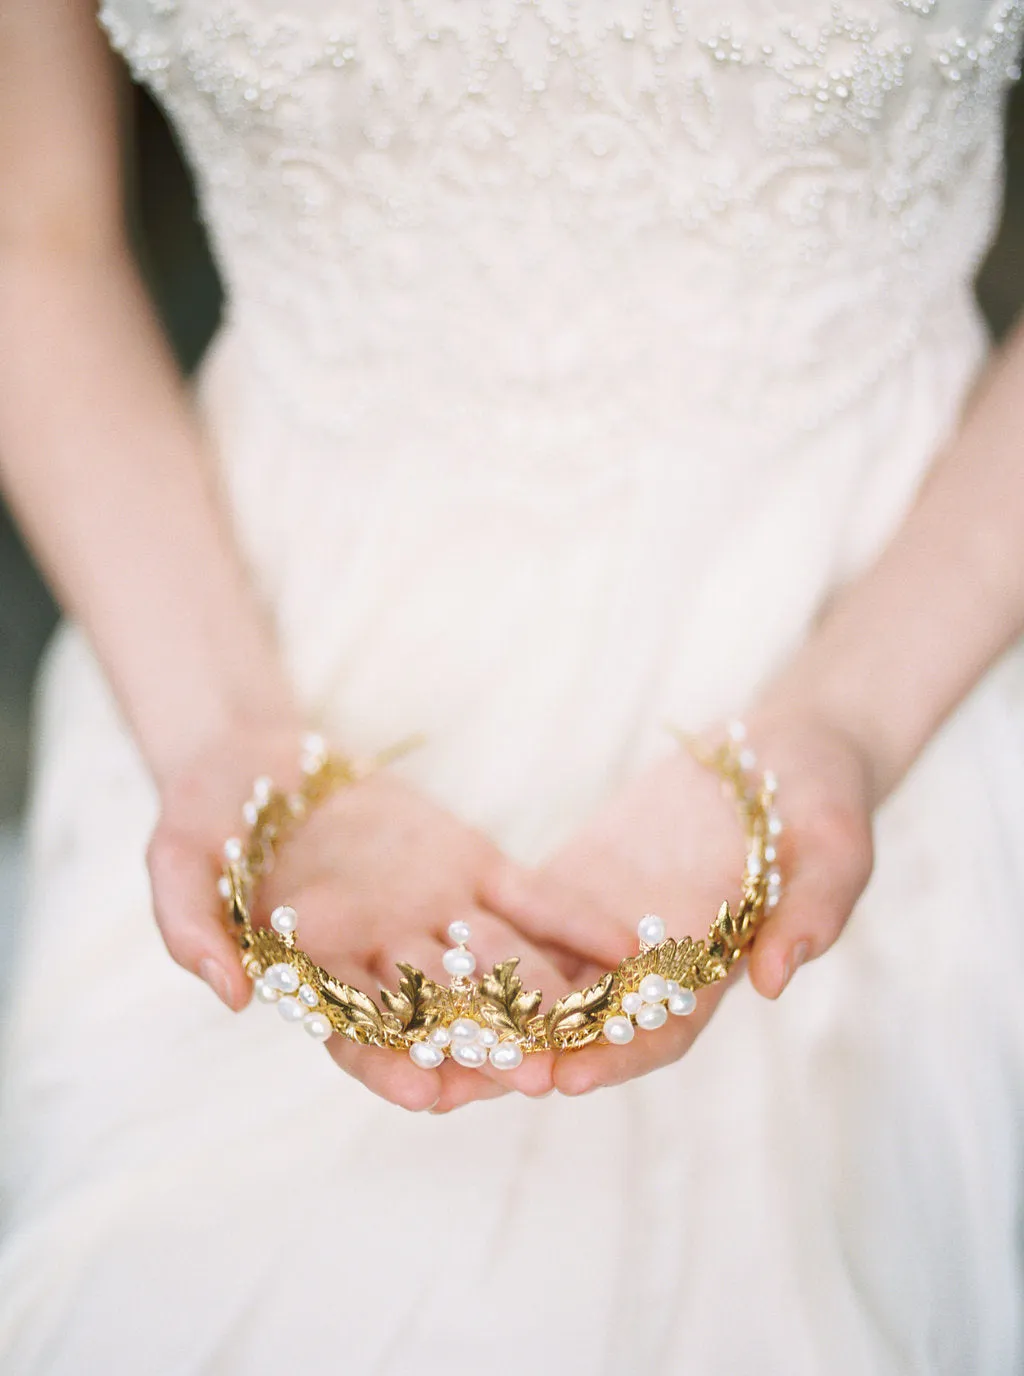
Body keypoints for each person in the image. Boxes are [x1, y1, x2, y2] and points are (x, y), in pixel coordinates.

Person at [0, 0, 1023, 1370]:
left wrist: (852, 714)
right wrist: (217, 726)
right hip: (228, 623)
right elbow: (29, 236)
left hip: (904, 597)